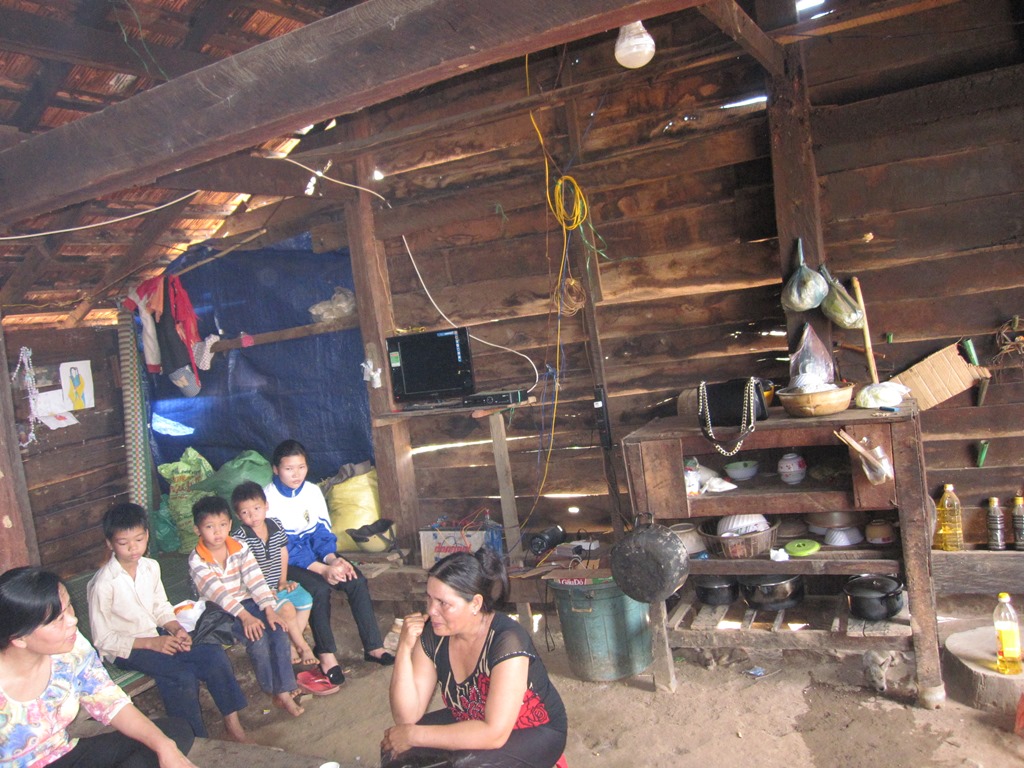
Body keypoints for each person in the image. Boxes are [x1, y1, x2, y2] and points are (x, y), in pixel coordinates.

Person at [382, 549, 568, 768]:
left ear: (475, 604)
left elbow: (494, 734)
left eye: (443, 603)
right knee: (395, 750)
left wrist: (414, 735)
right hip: (472, 717)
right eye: (429, 598)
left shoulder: (507, 641)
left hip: (534, 730)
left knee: (465, 765)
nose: (431, 611)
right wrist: (404, 649)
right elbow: (406, 717)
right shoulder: (433, 634)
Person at [0, 566, 198, 768]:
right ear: (19, 639)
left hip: (62, 754)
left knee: (173, 733)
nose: (73, 620)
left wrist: (164, 747)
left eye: (69, 607)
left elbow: (108, 699)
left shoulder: (72, 648)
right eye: (58, 619)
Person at [87, 502, 250, 742]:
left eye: (139, 540)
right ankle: (194, 742)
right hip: (126, 648)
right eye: (123, 543)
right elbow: (103, 640)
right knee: (180, 675)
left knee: (212, 655)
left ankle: (233, 727)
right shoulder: (104, 583)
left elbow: (160, 607)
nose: (133, 548)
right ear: (110, 544)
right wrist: (152, 643)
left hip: (157, 634)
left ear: (147, 536)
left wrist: (176, 628)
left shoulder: (150, 567)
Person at [263, 439, 393, 695]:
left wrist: (332, 559)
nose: (296, 474)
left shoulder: (312, 491)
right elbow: (284, 546)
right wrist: (322, 570)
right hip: (284, 562)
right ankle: (326, 656)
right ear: (275, 469)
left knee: (354, 578)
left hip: (315, 553)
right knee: (318, 589)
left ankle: (373, 647)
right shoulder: (268, 499)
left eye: (301, 467)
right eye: (289, 468)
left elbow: (322, 531)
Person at [187, 495, 304, 717]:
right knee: (257, 638)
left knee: (278, 629)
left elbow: (255, 579)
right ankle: (272, 690)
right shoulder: (197, 559)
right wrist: (246, 617)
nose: (218, 532)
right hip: (219, 612)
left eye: (223, 525)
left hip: (247, 601)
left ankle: (284, 690)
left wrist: (269, 609)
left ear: (230, 524)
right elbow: (219, 595)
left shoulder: (239, 547)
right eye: (210, 527)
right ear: (197, 530)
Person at [229, 481, 317, 667]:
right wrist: (263, 591)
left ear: (266, 505)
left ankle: (290, 643)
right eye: (245, 512)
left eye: (257, 508)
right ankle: (302, 647)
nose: (253, 516)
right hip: (257, 592)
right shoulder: (240, 537)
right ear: (238, 516)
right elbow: (241, 571)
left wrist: (282, 581)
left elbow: (283, 553)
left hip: (277, 585)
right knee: (287, 609)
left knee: (305, 600)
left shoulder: (275, 525)